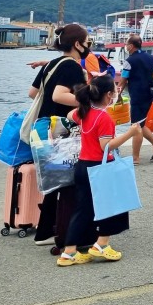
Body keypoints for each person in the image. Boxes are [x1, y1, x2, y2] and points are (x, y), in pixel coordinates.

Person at [57, 75, 141, 267]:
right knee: (114, 204)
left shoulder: (84, 112)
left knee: (82, 210)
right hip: (100, 166)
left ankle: (69, 253)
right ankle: (102, 244)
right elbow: (106, 146)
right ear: (109, 95)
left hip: (82, 166)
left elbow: (70, 116)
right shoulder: (104, 117)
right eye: (115, 89)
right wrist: (131, 132)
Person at [30, 24, 91, 247]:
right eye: (88, 42)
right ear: (77, 44)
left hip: (42, 127)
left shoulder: (51, 64)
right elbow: (58, 95)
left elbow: (33, 93)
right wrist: (89, 101)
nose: (89, 46)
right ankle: (67, 230)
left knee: (55, 182)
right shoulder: (73, 66)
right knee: (69, 182)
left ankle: (45, 231)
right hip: (60, 130)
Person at [117, 35, 153, 164]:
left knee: (136, 125)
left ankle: (135, 158)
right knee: (141, 122)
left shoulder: (129, 60)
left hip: (137, 95)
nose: (126, 46)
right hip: (150, 94)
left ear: (131, 46)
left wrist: (117, 95)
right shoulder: (150, 58)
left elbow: (122, 81)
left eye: (127, 44)